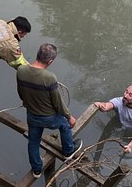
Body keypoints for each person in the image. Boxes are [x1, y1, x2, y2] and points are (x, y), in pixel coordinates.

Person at [16, 43, 83, 179]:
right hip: (49, 118)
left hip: (32, 116)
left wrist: (26, 102)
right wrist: (69, 116)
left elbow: (20, 91)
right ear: (50, 61)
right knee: (64, 125)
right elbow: (58, 102)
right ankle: (68, 151)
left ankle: (36, 170)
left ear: (38, 54)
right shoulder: (49, 77)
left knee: (33, 142)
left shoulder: (21, 70)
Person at [94, 84, 132, 153]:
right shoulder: (118, 101)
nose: (125, 96)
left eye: (130, 95)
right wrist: (100, 105)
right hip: (120, 124)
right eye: (126, 92)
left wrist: (131, 145)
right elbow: (106, 106)